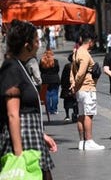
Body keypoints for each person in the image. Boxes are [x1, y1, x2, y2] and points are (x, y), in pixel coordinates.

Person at [0, 20, 57, 179]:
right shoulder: (11, 69)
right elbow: (13, 115)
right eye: (36, 41)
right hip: (24, 140)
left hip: (32, 136)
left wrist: (41, 135)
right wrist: (19, 156)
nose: (39, 45)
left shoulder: (18, 65)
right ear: (27, 45)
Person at [70, 31, 105, 150]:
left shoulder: (76, 52)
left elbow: (72, 71)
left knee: (81, 115)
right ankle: (89, 141)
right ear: (90, 42)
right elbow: (81, 72)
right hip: (87, 88)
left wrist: (73, 84)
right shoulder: (84, 54)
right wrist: (75, 83)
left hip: (80, 89)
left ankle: (82, 142)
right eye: (93, 42)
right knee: (88, 115)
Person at [39, 49, 61, 115]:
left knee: (47, 95)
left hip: (45, 80)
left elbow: (40, 70)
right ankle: (54, 109)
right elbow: (57, 70)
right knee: (54, 95)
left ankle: (48, 109)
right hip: (54, 79)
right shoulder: (55, 61)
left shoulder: (42, 61)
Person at [60, 53, 78, 122]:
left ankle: (67, 115)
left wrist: (62, 85)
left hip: (67, 86)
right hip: (75, 86)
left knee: (67, 101)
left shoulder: (67, 66)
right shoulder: (77, 66)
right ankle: (75, 114)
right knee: (75, 101)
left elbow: (63, 76)